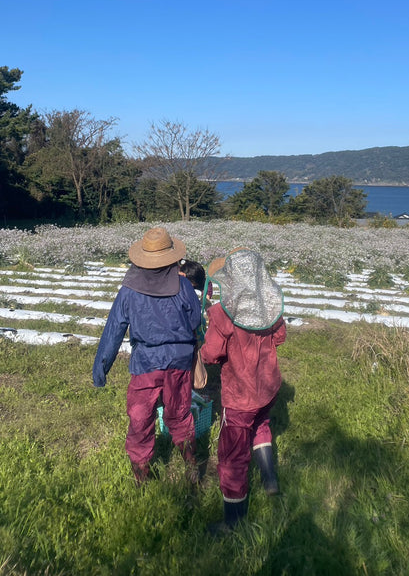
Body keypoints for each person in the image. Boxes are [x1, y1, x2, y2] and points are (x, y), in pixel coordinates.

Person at [92, 227, 202, 485]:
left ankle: (141, 478)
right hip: (179, 360)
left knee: (141, 418)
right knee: (179, 412)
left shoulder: (129, 291)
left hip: (146, 364)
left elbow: (114, 330)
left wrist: (101, 370)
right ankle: (192, 465)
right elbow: (195, 319)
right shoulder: (184, 285)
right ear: (172, 257)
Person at [201, 247, 286, 533]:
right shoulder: (271, 306)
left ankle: (233, 522)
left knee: (232, 455)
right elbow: (281, 337)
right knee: (261, 424)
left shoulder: (224, 312)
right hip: (269, 385)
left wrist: (198, 356)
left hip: (240, 395)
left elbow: (212, 353)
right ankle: (270, 479)